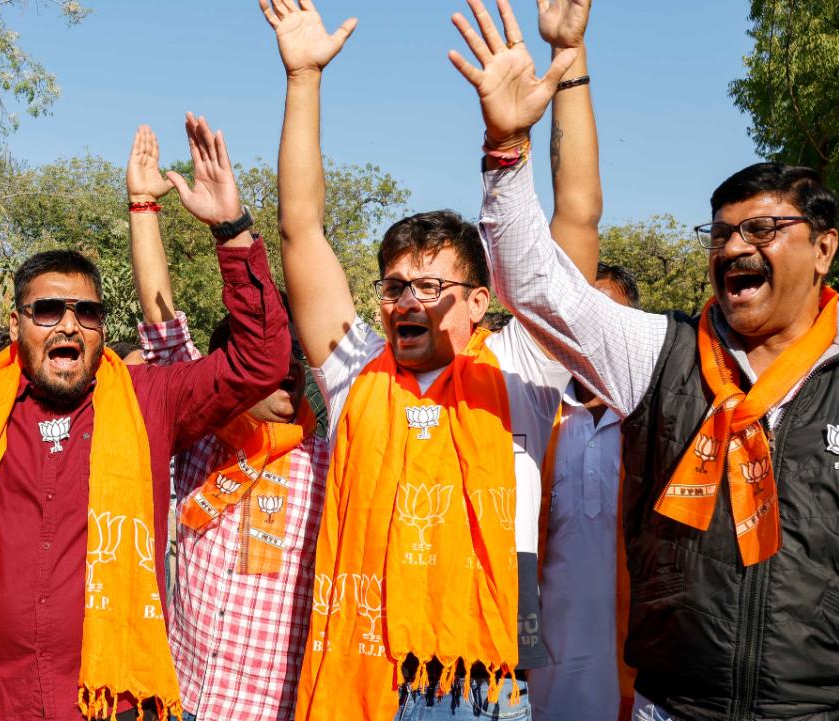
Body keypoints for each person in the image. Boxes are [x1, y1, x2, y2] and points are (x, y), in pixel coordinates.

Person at [460, 0, 839, 717]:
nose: (732, 248)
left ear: (824, 248)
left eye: (762, 228)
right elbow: (537, 285)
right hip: (672, 705)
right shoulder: (661, 355)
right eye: (720, 233)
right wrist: (506, 149)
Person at [0, 102, 292, 721]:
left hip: (112, 702)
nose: (69, 326)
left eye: (87, 312)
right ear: (17, 324)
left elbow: (262, 359)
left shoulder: (149, 401)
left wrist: (231, 228)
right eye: (48, 310)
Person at [259, 0, 591, 718]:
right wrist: (303, 79)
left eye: (430, 285)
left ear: (479, 301)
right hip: (366, 676)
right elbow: (300, 231)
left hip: (488, 683)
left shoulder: (522, 371)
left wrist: (569, 66)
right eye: (394, 285)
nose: (406, 299)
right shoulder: (358, 374)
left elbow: (576, 226)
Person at [126, 122, 330, 721]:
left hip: (273, 708)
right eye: (261, 372)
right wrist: (142, 206)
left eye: (290, 369)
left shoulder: (328, 461)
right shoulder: (199, 439)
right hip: (178, 695)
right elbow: (161, 318)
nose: (283, 381)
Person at [533, 262, 639, 721]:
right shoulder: (537, 416)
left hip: (635, 661)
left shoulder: (651, 422)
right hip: (544, 664)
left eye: (608, 318)